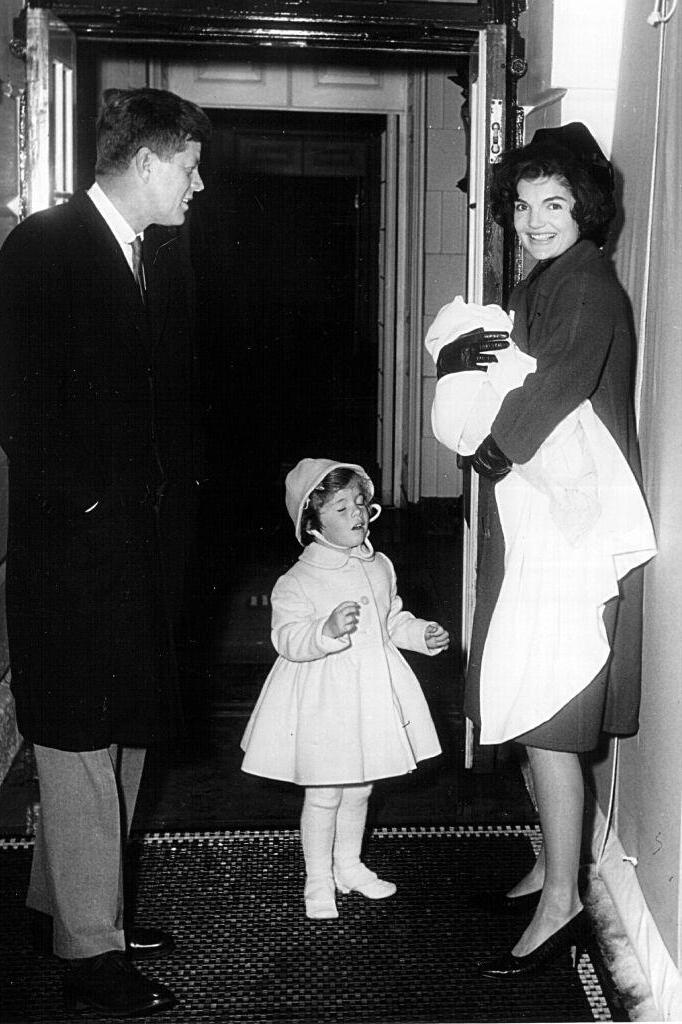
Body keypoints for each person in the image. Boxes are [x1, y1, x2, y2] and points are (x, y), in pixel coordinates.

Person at [0, 87, 212, 1017]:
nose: (199, 185)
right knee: (78, 739)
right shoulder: (41, 249)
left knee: (119, 725)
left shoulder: (155, 256)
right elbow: (14, 403)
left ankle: (71, 907)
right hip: (74, 548)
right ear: (148, 163)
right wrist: (87, 503)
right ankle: (93, 954)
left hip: (141, 548)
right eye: (191, 167)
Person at [429, 123, 656, 978]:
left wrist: (489, 450)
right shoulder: (541, 280)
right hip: (540, 521)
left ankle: (564, 900)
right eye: (522, 205)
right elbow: (507, 365)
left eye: (553, 204)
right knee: (529, 702)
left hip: (573, 531)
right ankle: (554, 863)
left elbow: (555, 381)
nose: (533, 220)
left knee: (554, 721)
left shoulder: (587, 281)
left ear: (585, 209)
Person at [240, 458, 449, 920]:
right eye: (340, 508)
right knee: (325, 792)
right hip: (323, 700)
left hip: (371, 691)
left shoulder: (379, 566)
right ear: (311, 521)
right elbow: (287, 638)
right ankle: (317, 878)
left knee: (360, 788)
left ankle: (349, 866)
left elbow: (390, 618)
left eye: (359, 503)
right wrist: (326, 630)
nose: (356, 514)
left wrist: (420, 635)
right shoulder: (297, 579)